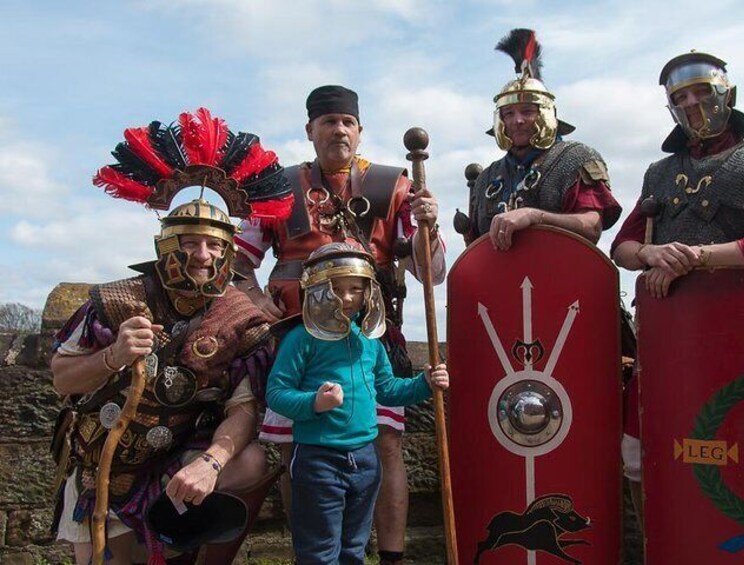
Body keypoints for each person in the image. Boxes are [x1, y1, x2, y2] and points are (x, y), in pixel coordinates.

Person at [50, 108, 293, 564]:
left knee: (257, 459)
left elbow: (243, 409)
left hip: (175, 461)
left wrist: (212, 462)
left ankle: (182, 517)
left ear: (228, 250)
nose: (203, 255)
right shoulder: (116, 302)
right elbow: (62, 379)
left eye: (215, 244)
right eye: (189, 242)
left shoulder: (241, 318)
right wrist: (112, 356)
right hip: (105, 463)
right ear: (166, 244)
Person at [234, 85, 445, 564]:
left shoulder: (395, 185)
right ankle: (309, 553)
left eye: (347, 122)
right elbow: (236, 261)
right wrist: (254, 304)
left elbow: (433, 272)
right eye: (328, 122)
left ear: (360, 129)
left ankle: (389, 556)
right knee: (293, 446)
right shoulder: (276, 186)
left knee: (386, 442)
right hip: (296, 332)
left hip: (372, 330)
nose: (339, 130)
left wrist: (428, 226)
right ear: (310, 130)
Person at [610, 51, 744, 520]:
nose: (692, 103)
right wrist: (653, 254)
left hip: (740, 332)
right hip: (669, 336)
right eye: (681, 97)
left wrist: (694, 258)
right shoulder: (659, 173)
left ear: (726, 95)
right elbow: (622, 246)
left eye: (700, 92)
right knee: (637, 452)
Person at [265, 242, 449, 565]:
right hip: (318, 461)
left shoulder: (370, 341)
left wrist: (425, 383)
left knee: (354, 549)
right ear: (318, 289)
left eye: (355, 288)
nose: (347, 298)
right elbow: (277, 393)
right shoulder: (301, 339)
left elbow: (388, 390)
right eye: (336, 289)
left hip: (366, 460)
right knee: (320, 553)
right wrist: (314, 403)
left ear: (368, 291)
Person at [461, 28, 621, 249]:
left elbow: (591, 227)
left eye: (527, 111)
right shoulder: (486, 178)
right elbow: (476, 247)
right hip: (503, 279)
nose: (517, 120)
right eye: (509, 113)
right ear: (500, 121)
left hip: (561, 274)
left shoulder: (576, 158)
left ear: (545, 114)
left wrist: (535, 216)